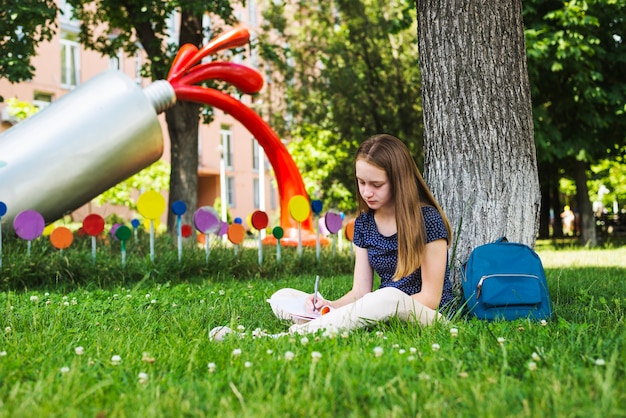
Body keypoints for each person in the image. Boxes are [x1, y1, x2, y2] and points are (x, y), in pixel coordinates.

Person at [269, 134, 455, 335]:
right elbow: (360, 292)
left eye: (376, 185)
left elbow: (430, 298)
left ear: (399, 181)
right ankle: (324, 318)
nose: (366, 192)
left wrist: (377, 309)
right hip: (379, 306)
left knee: (388, 297)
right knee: (283, 296)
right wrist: (330, 304)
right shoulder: (364, 223)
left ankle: (298, 333)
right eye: (361, 182)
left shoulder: (428, 220)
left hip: (428, 315)